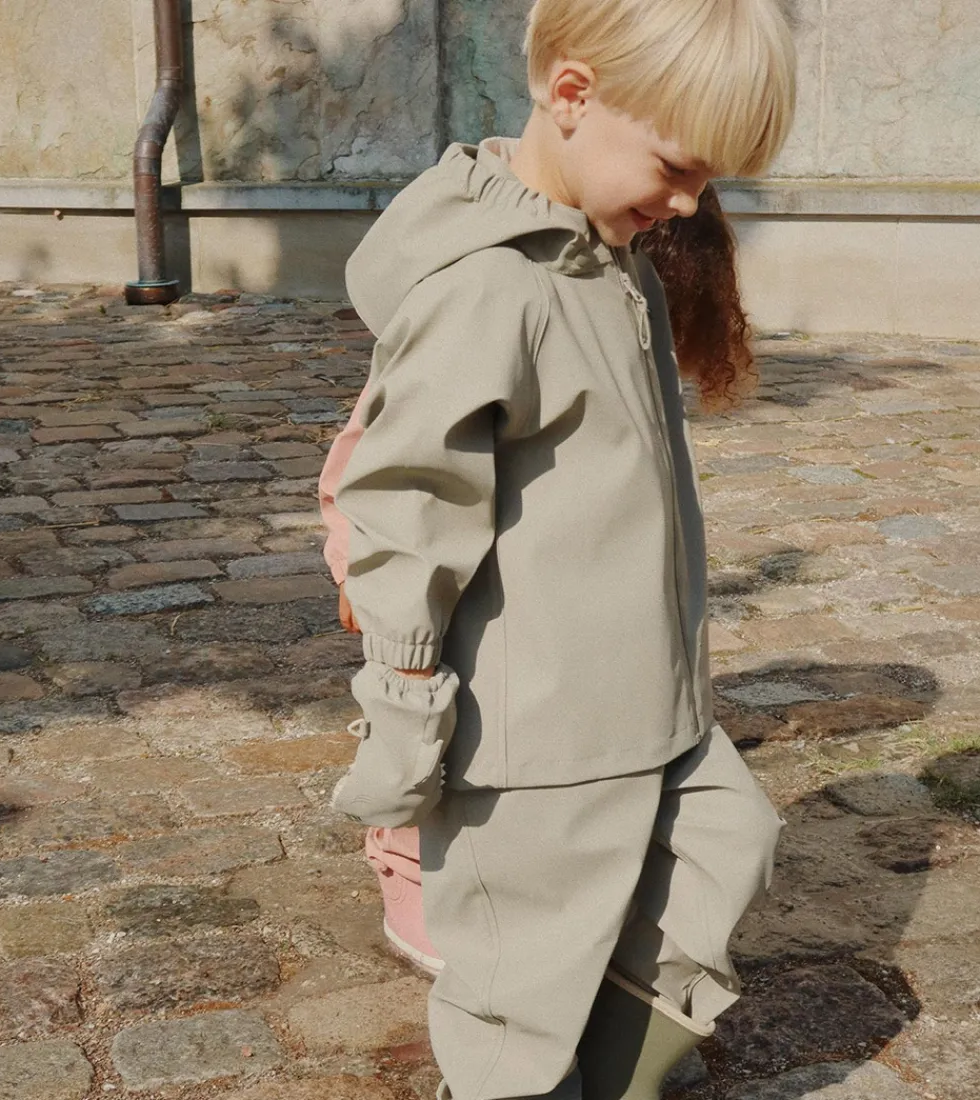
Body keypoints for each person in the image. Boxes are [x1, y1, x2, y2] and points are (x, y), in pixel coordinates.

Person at [323, 2, 797, 1097]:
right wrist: (405, 701)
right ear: (573, 96)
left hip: (648, 699)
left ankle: (608, 1069)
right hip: (537, 735)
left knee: (726, 841)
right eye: (677, 168)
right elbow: (405, 500)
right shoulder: (490, 284)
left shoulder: (610, 260)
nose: (688, 203)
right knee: (519, 998)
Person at [318, 181, 758, 979]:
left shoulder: (618, 328)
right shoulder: (486, 312)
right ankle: (415, 878)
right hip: (447, 599)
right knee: (446, 746)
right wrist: (369, 586)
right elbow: (377, 479)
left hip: (543, 608)